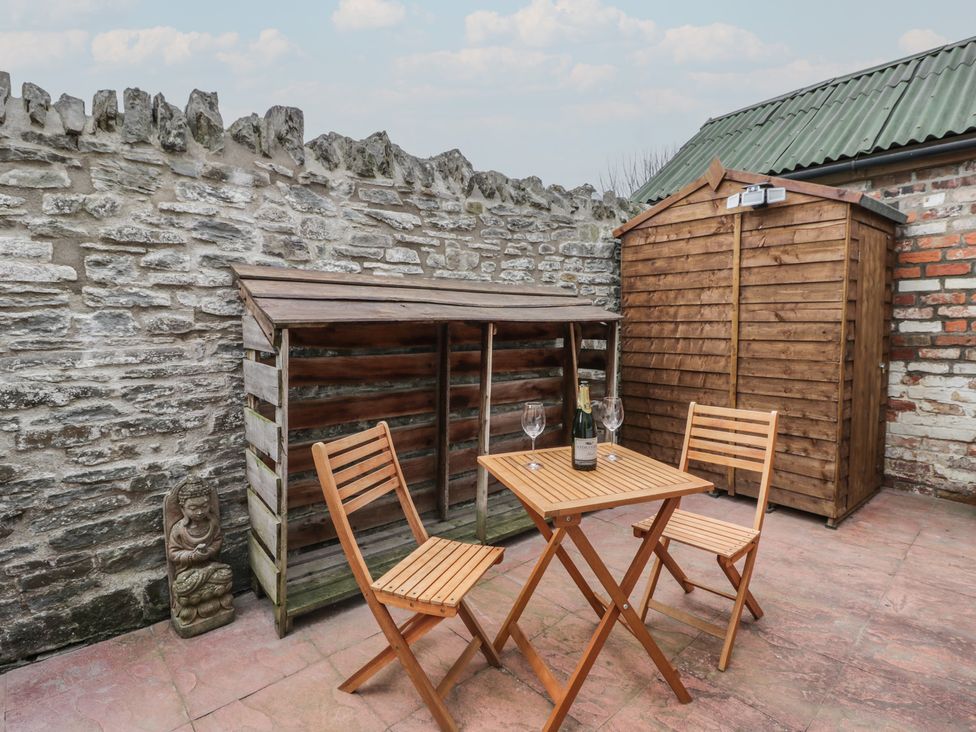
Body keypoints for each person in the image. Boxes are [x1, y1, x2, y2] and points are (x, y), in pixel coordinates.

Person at [168, 478, 233, 624]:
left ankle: (200, 602)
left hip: (211, 566)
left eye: (204, 506)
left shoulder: (212, 523)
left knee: (226, 574)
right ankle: (206, 601)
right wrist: (192, 556)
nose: (199, 512)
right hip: (188, 572)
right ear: (182, 508)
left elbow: (217, 541)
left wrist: (209, 552)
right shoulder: (178, 530)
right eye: (193, 508)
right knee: (182, 587)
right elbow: (172, 553)